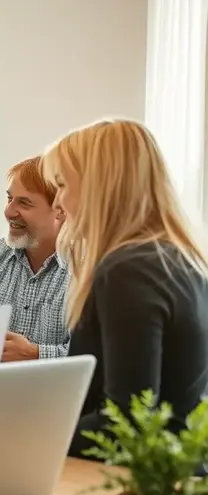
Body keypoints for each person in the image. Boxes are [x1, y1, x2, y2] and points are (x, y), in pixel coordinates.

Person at [39, 118, 208, 458]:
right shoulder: (182, 261)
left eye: (62, 186)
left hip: (132, 487)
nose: (57, 204)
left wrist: (23, 433)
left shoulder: (127, 270)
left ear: (99, 186)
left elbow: (125, 423)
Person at [0, 156, 70, 362]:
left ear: (60, 210)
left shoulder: (87, 270)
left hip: (56, 392)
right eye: (9, 199)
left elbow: (97, 356)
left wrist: (35, 354)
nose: (8, 212)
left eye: (24, 203)